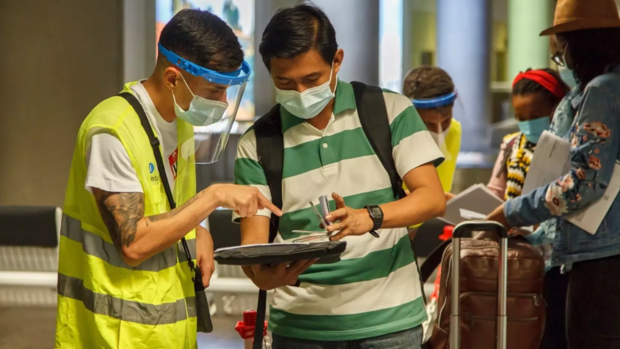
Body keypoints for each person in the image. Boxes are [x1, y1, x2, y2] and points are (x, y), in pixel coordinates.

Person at [55, 9, 281, 349]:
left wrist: (198, 230)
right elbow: (133, 244)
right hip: (116, 333)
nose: (222, 102)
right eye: (215, 90)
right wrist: (214, 197)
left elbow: (170, 204)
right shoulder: (112, 131)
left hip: (167, 329)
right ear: (174, 78)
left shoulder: (180, 122)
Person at [234, 4, 446, 349]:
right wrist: (262, 273)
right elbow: (252, 245)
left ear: (337, 61)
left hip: (390, 323)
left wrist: (369, 216)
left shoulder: (389, 111)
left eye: (312, 79)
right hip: (300, 328)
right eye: (285, 82)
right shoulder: (257, 143)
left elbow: (431, 198)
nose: (301, 93)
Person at [487, 0, 620, 347]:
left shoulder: (603, 90)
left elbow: (583, 184)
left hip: (602, 259)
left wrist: (512, 211)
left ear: (577, 45)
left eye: (561, 49)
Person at [487, 68, 570, 349]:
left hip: (559, 264)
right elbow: (495, 193)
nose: (526, 124)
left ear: (555, 108)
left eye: (534, 116)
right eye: (520, 118)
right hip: (517, 261)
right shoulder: (511, 145)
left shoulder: (570, 148)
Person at [403, 66, 462, 198]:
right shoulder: (390, 137)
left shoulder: (454, 131)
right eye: (428, 124)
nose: (438, 131)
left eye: (445, 121)